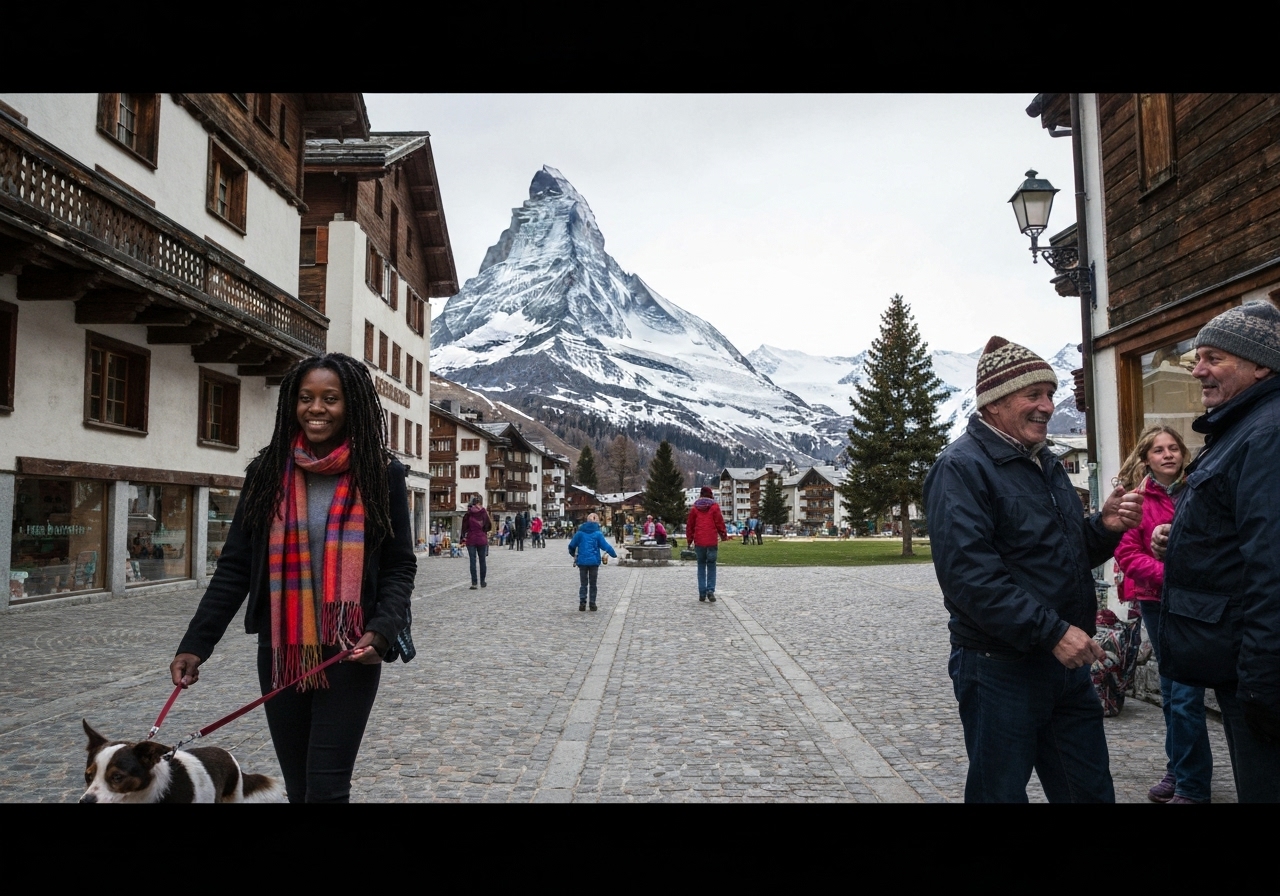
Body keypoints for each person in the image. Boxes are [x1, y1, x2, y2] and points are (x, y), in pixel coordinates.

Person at [169, 353, 414, 803]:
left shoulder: (381, 473)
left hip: (350, 653)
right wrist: (195, 644)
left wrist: (381, 630)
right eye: (306, 398)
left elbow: (400, 565)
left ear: (352, 404)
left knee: (326, 787)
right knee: (299, 787)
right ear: (291, 404)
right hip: (283, 649)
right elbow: (236, 566)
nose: (316, 408)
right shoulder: (267, 473)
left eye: (330, 399)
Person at [923, 336, 1143, 803]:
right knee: (999, 794)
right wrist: (1051, 633)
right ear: (995, 402)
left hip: (1064, 663)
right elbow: (970, 577)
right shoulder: (961, 467)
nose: (1048, 405)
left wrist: (1102, 528)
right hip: (1000, 668)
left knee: (1089, 791)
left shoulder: (1044, 462)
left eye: (1051, 393)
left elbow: (1061, 553)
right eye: (1034, 394)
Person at [1154, 301, 1280, 802]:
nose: (1199, 370)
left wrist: (1263, 683)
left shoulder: (1267, 433)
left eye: (1213, 358)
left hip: (1259, 672)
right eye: (1197, 358)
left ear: (1260, 365)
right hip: (1241, 667)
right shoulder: (1242, 427)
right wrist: (1179, 538)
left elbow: (1272, 567)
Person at [1114, 425, 1212, 803]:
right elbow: (1128, 555)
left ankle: (1191, 785)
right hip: (1157, 603)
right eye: (1159, 450)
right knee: (1173, 694)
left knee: (1186, 694)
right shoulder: (1135, 500)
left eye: (1174, 448)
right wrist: (1171, 578)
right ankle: (1179, 770)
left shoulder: (1199, 490)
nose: (1168, 454)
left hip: (1198, 605)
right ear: (1145, 459)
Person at [568, 512, 616, 612]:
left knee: (583, 583)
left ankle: (582, 603)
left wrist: (574, 555)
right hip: (594, 562)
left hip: (582, 562)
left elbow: (571, 546)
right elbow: (605, 546)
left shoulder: (580, 533)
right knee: (593, 584)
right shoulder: (598, 534)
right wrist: (613, 554)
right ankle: (592, 604)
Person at [687, 486, 728, 603]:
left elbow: (690, 526)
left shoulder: (695, 508)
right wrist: (723, 535)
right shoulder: (714, 507)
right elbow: (719, 522)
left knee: (701, 565)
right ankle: (710, 590)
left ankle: (702, 593)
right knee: (711, 565)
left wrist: (690, 541)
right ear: (710, 495)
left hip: (699, 541)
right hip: (711, 541)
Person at [461, 496, 491, 589]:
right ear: (479, 503)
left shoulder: (468, 514)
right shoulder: (483, 512)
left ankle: (474, 583)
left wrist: (462, 539)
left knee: (472, 561)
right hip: (482, 539)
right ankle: (482, 581)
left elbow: (464, 528)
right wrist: (483, 531)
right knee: (482, 561)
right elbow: (488, 525)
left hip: (471, 540)